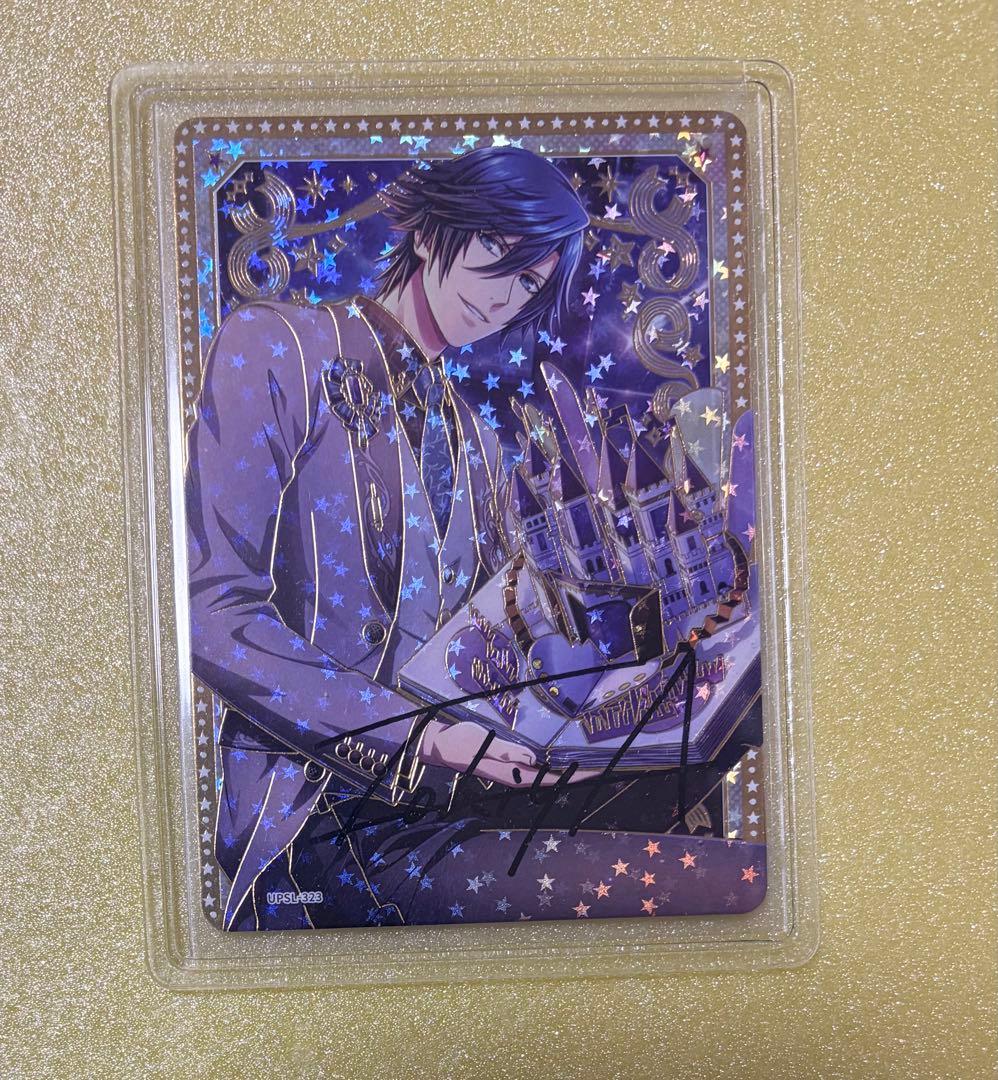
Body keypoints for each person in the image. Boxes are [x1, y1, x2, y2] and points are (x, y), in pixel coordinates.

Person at [186, 146, 592, 929]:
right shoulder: (279, 346)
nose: (502, 295)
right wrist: (422, 736)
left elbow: (495, 632)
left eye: (529, 283)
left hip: (454, 808)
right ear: (436, 229)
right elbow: (209, 613)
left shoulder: (479, 440)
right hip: (305, 825)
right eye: (495, 250)